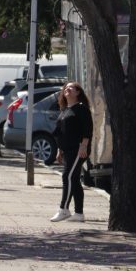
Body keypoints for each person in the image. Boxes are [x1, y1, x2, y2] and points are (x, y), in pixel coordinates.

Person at [50, 82, 93, 223]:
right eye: (66, 88)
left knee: (67, 176)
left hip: (78, 149)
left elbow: (88, 129)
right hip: (67, 150)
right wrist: (59, 150)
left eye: (71, 87)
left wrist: (84, 146)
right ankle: (79, 214)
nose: (67, 89)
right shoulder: (64, 110)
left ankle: (64, 209)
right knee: (74, 179)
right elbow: (60, 132)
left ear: (78, 92)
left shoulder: (81, 109)